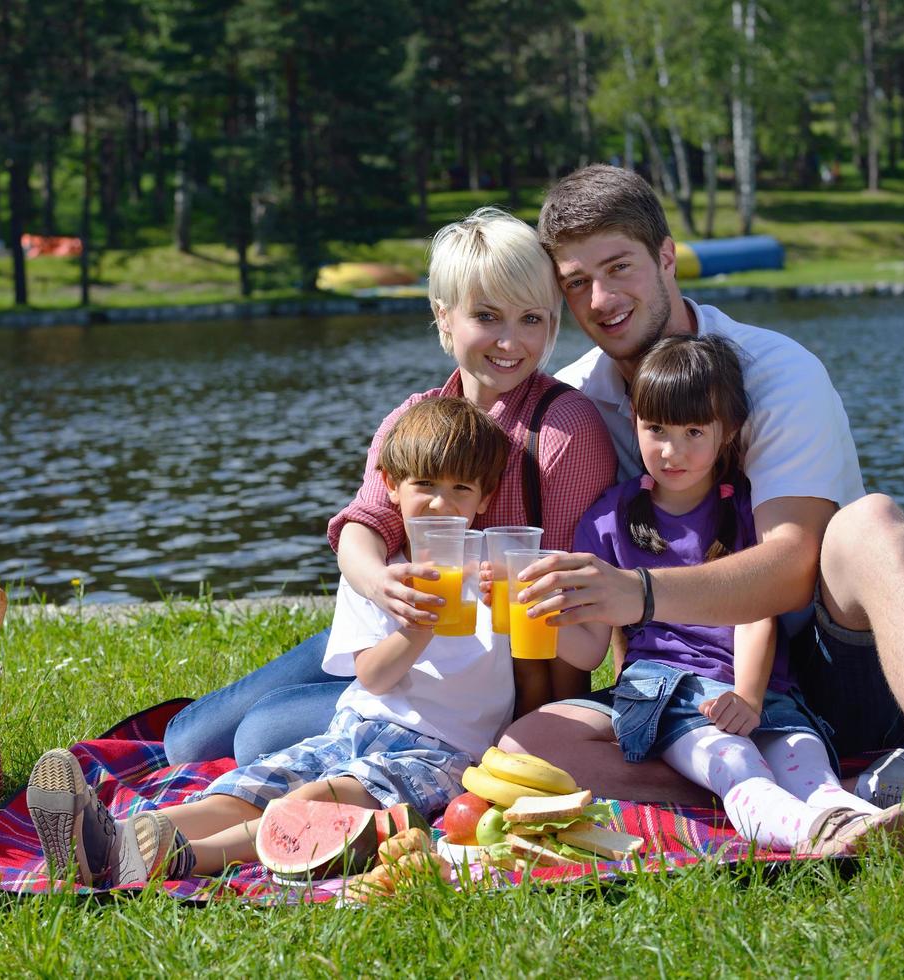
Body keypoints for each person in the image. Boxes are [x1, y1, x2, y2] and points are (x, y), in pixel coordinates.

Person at [499, 164, 904, 870]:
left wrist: (638, 591)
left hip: (824, 669)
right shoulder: (574, 402)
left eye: (618, 267)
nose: (600, 299)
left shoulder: (774, 371)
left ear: (666, 257)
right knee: (525, 750)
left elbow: (790, 567)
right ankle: (827, 799)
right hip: (681, 694)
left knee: (870, 523)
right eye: (575, 282)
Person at [162, 207, 615, 766]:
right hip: (405, 636)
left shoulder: (563, 430)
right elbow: (363, 525)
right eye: (487, 316)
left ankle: (325, 719)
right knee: (185, 744)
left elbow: (581, 607)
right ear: (444, 317)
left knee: (257, 735)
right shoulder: (416, 415)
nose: (510, 341)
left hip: (493, 682)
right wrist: (381, 585)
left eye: (532, 319)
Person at [27, 397, 516, 886]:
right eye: (424, 485)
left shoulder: (497, 577)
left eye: (461, 488)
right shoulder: (378, 573)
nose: (439, 503)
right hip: (356, 724)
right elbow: (374, 674)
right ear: (389, 484)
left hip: (441, 754)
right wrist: (415, 628)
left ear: (484, 497)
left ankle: (175, 857)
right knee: (250, 786)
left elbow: (558, 657)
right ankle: (104, 838)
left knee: (310, 805)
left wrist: (510, 604)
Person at [552, 332, 904, 855]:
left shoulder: (745, 510)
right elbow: (586, 650)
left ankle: (859, 817)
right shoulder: (609, 519)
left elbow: (756, 613)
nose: (671, 450)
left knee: (805, 758)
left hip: (764, 691)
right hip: (666, 693)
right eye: (654, 428)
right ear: (634, 420)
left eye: (692, 431)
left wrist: (750, 697)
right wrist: (545, 610)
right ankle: (815, 835)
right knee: (736, 765)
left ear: (726, 431)